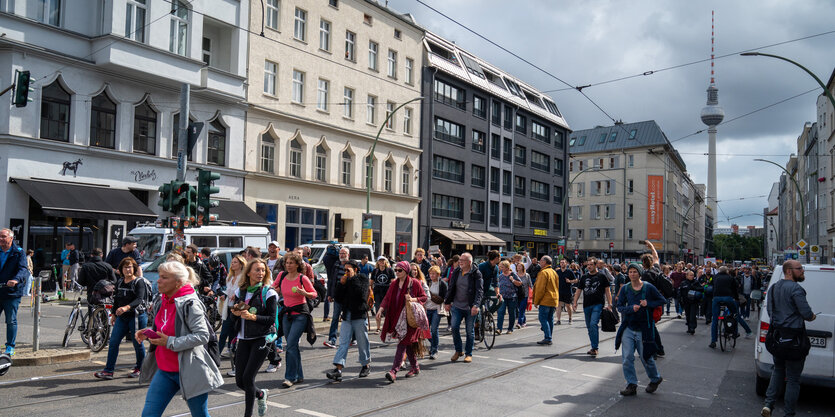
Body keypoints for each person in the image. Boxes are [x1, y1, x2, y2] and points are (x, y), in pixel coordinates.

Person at [136, 261, 223, 417]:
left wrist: (169, 342)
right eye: (159, 276)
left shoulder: (190, 303)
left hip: (190, 369)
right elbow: (165, 328)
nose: (158, 280)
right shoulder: (161, 299)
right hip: (165, 370)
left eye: (164, 277)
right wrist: (149, 332)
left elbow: (203, 336)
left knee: (200, 414)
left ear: (178, 283)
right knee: (149, 414)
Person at [761, 261, 817, 417]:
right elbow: (806, 314)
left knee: (778, 370)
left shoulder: (773, 288)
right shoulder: (797, 289)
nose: (802, 271)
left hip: (777, 337)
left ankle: (768, 405)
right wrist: (812, 316)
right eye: (799, 269)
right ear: (789, 271)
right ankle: (789, 413)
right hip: (794, 340)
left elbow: (771, 312)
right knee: (793, 378)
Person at [231, 258, 276, 417]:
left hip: (261, 337)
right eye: (257, 270)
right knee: (239, 382)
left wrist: (254, 318)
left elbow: (271, 319)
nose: (260, 273)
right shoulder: (240, 292)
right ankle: (261, 394)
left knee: (248, 378)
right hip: (243, 338)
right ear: (248, 272)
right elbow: (235, 318)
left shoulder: (268, 292)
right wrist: (235, 313)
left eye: (263, 270)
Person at [615, 263, 666, 396]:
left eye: (634, 272)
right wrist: (630, 309)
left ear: (639, 273)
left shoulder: (648, 287)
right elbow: (619, 306)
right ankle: (631, 384)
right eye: (630, 272)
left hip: (644, 329)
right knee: (627, 357)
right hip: (629, 327)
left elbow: (662, 300)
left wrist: (648, 303)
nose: (632, 274)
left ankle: (655, 379)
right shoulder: (626, 288)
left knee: (646, 357)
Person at [95, 257, 147, 380]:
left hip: (136, 316)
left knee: (137, 343)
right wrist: (113, 314)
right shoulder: (119, 282)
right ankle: (108, 371)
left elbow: (139, 299)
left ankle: (141, 368)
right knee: (113, 342)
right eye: (125, 267)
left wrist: (126, 307)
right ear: (121, 269)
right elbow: (117, 299)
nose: (128, 270)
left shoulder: (139, 282)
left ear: (134, 269)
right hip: (122, 318)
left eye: (130, 267)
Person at [378, 261, 427, 381]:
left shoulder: (414, 282)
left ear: (406, 271)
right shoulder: (394, 284)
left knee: (402, 343)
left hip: (410, 319)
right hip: (397, 318)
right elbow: (387, 297)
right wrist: (381, 309)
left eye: (399, 270)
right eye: (396, 270)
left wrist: (413, 299)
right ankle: (415, 367)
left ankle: (394, 371)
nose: (397, 272)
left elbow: (424, 297)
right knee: (408, 344)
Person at [274, 252, 317, 388]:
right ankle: (299, 375)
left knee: (291, 344)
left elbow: (314, 294)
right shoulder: (281, 276)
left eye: (291, 263)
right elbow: (273, 286)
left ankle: (289, 377)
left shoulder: (302, 278)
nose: (288, 265)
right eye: (286, 263)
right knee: (293, 346)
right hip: (287, 314)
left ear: (298, 265)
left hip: (300, 314)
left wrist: (305, 293)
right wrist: (270, 289)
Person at [326, 260, 371, 382]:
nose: (345, 273)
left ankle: (365, 365)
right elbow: (338, 297)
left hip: (359, 315)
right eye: (344, 270)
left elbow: (360, 295)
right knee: (344, 342)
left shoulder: (362, 279)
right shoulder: (344, 281)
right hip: (347, 315)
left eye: (348, 270)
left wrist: (350, 280)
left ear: (355, 269)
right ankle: (338, 369)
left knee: (362, 342)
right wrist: (341, 285)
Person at [443, 253, 483, 363]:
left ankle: (468, 353)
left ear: (469, 262)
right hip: (456, 306)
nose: (460, 262)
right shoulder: (456, 271)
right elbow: (451, 288)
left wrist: (476, 305)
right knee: (455, 327)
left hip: (470, 307)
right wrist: (447, 302)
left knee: (469, 331)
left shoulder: (476, 274)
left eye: (463, 260)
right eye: (460, 260)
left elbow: (479, 291)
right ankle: (458, 350)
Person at [572, 258, 613, 356]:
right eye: (587, 265)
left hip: (598, 304)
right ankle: (593, 346)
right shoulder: (584, 277)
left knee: (593, 324)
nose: (589, 266)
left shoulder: (602, 276)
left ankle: (595, 348)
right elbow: (579, 290)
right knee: (589, 327)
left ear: (595, 265)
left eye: (591, 264)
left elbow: (607, 290)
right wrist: (575, 302)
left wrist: (610, 304)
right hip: (587, 305)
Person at [709, 266, 752, 349]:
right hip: (728, 298)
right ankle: (735, 333)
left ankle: (713, 341)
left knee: (715, 320)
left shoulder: (715, 277)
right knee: (735, 314)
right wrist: (736, 298)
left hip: (716, 298)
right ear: (726, 271)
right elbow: (735, 289)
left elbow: (712, 286)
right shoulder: (730, 278)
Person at [0, 228, 28, 356]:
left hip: (11, 292)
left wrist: (16, 280)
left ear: (11, 238)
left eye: (3, 236)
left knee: (11, 320)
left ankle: (10, 346)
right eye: (0, 236)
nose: (1, 239)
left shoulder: (18, 252)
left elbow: (23, 269)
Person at [219, 255, 246, 361]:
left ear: (241, 264)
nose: (232, 264)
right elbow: (228, 291)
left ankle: (228, 352)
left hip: (237, 307)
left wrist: (237, 294)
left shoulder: (244, 278)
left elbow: (243, 293)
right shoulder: (229, 277)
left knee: (232, 332)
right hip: (228, 306)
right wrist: (223, 295)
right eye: (232, 262)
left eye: (235, 262)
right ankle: (220, 353)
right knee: (225, 332)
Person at [77, 248, 118, 312]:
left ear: (91, 255)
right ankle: (105, 320)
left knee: (92, 311)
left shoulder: (86, 266)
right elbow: (114, 280)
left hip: (92, 292)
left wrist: (87, 283)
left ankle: (91, 320)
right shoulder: (108, 266)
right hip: (105, 293)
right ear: (101, 255)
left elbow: (81, 281)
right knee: (105, 311)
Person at [323, 246, 349, 348]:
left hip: (348, 297)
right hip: (338, 296)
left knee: (349, 319)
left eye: (344, 254)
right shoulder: (336, 265)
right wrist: (330, 294)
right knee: (335, 318)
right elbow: (332, 280)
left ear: (348, 255)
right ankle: (332, 340)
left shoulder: (351, 265)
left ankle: (353, 338)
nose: (342, 255)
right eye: (340, 253)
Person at [532, 256, 559, 345]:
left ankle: (548, 337)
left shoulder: (543, 273)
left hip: (545, 299)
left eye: (541, 260)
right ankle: (549, 336)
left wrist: (536, 301)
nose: (539, 262)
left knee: (542, 318)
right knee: (550, 318)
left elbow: (540, 289)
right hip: (553, 299)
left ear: (545, 262)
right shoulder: (554, 272)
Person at [425, 266, 447, 359]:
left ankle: (434, 350)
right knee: (425, 330)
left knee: (434, 330)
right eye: (430, 273)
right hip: (427, 308)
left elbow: (445, 296)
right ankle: (434, 345)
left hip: (436, 309)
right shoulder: (427, 282)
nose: (431, 275)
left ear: (438, 274)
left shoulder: (442, 284)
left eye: (433, 274)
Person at [495, 260, 521, 334]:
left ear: (507, 268)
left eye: (502, 267)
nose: (501, 268)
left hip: (512, 297)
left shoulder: (513, 275)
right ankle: (499, 328)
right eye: (500, 267)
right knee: (500, 312)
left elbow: (520, 283)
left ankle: (510, 329)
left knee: (511, 313)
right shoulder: (500, 276)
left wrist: (512, 280)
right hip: (502, 297)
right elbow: (497, 285)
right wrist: (498, 293)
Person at [370, 256, 394, 333]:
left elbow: (393, 282)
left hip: (387, 292)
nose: (382, 262)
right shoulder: (375, 271)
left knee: (387, 311)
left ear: (386, 262)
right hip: (377, 292)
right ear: (378, 262)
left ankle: (387, 327)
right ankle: (378, 328)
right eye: (380, 261)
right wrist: (369, 291)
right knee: (378, 310)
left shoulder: (390, 271)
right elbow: (371, 282)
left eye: (383, 260)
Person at [678, 270, 703, 335]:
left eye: (693, 275)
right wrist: (680, 299)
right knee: (688, 315)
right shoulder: (683, 283)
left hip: (694, 301)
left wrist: (694, 287)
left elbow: (701, 289)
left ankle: (692, 327)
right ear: (687, 276)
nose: (692, 276)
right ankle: (689, 327)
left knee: (692, 315)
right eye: (690, 275)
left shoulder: (696, 282)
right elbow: (680, 291)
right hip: (686, 302)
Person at [555, 259, 576, 325]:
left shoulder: (569, 271)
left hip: (567, 291)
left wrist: (570, 281)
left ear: (566, 264)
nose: (562, 264)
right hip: (559, 291)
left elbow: (576, 280)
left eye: (563, 263)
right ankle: (558, 320)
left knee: (568, 305)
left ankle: (570, 318)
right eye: (561, 263)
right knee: (558, 306)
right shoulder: (557, 272)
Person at [515, 262, 531, 329]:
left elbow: (530, 284)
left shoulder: (527, 275)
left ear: (523, 267)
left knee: (522, 309)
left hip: (525, 294)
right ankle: (524, 321)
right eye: (518, 266)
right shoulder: (515, 275)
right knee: (519, 309)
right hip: (517, 294)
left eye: (520, 266)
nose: (519, 267)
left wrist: (532, 294)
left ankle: (519, 322)